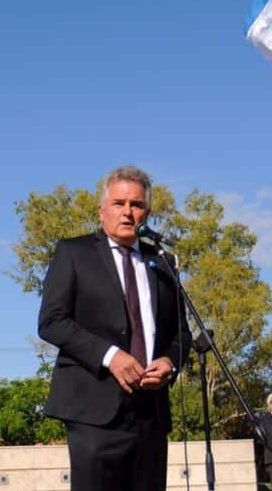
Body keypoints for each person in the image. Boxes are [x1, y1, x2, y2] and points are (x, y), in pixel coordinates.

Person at [38, 166, 190, 491]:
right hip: (94, 411)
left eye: (136, 205)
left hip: (150, 413)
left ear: (146, 213)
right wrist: (110, 355)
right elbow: (51, 321)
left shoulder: (162, 262)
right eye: (119, 203)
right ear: (101, 210)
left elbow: (182, 333)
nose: (127, 212)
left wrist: (170, 362)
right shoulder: (73, 253)